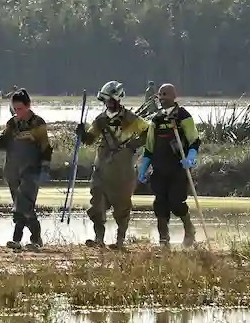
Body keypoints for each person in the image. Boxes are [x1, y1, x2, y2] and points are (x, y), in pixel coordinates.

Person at [77, 80, 150, 249]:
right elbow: (90, 139)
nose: (108, 104)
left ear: (118, 99)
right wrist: (82, 134)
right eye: (105, 101)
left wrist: (135, 144)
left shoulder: (131, 119)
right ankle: (99, 239)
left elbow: (148, 132)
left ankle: (119, 242)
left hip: (123, 171)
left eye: (110, 100)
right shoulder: (100, 120)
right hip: (102, 169)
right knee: (97, 204)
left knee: (122, 207)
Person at [0, 88, 51, 251]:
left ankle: (24, 239)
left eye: (20, 109)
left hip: (31, 170)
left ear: (28, 106)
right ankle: (31, 239)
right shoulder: (12, 123)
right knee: (19, 205)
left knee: (24, 205)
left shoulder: (38, 123)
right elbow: (3, 143)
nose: (17, 112)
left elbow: (46, 148)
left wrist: (45, 169)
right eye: (15, 109)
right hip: (13, 170)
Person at [139, 82, 200, 248]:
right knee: (160, 204)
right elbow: (149, 147)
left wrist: (191, 157)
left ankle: (189, 230)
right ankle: (163, 239)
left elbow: (194, 141)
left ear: (174, 96)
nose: (162, 98)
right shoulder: (156, 120)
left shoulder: (183, 116)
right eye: (160, 95)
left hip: (179, 168)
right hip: (159, 169)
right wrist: (144, 167)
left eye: (165, 94)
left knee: (176, 202)